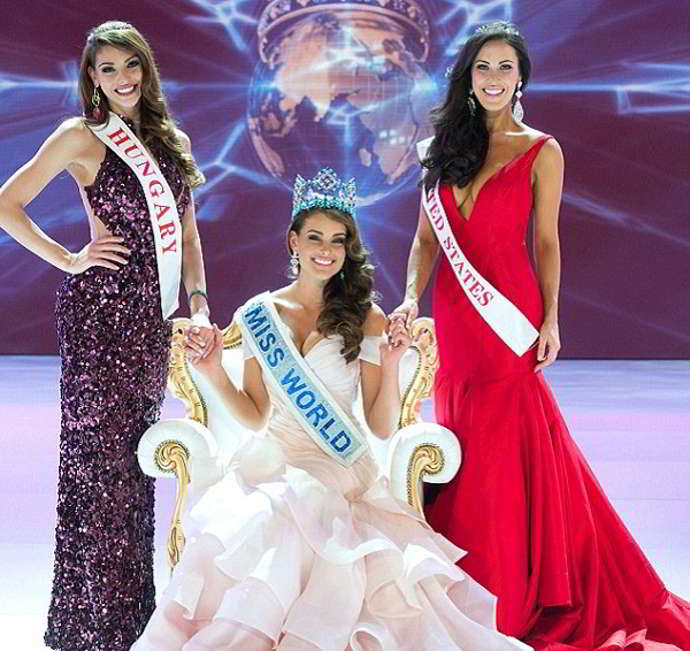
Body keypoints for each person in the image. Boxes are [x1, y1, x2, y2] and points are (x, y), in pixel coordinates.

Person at [131, 168, 531, 651]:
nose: (326, 250)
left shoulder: (366, 317)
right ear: (293, 242)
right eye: (315, 237)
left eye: (338, 241)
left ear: (348, 249)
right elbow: (255, 414)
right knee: (268, 514)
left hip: (339, 464)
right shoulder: (258, 315)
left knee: (291, 508)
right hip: (276, 460)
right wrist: (215, 371)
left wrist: (391, 363)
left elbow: (381, 426)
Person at [389, 20, 690, 651]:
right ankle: (468, 579)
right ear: (467, 77)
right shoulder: (439, 149)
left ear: (521, 77)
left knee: (507, 444)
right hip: (455, 316)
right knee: (462, 435)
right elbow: (423, 242)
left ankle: (514, 588)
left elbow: (546, 242)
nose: (494, 78)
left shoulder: (541, 150)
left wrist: (551, 318)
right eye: (483, 67)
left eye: (506, 66)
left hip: (509, 315)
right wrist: (410, 297)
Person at [0, 21, 212, 651]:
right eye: (108, 68)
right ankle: (91, 626)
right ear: (91, 78)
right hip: (100, 317)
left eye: (130, 65)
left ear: (146, 69)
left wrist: (199, 304)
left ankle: (131, 618)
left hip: (150, 321)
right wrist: (69, 258)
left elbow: (190, 237)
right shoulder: (80, 135)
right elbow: (7, 203)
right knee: (96, 467)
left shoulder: (173, 141)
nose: (122, 78)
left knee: (135, 465)